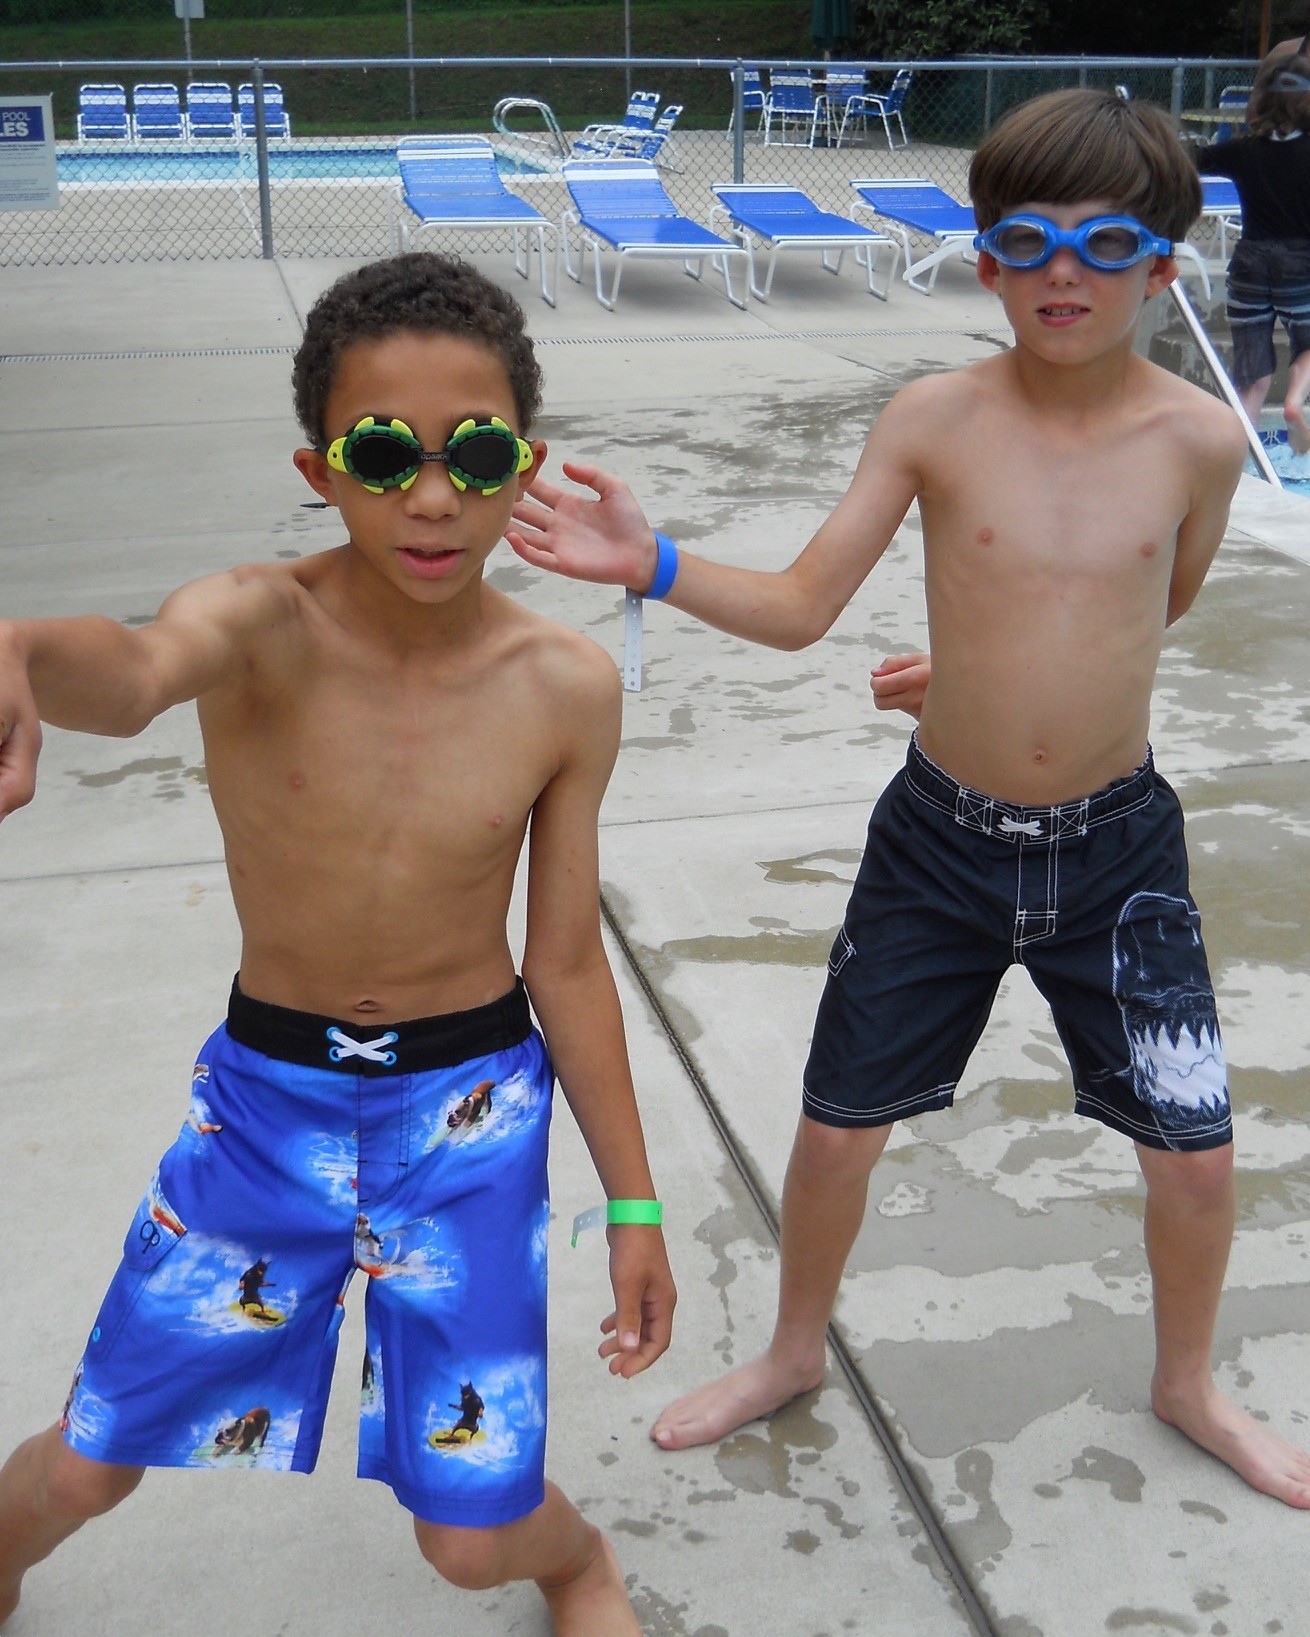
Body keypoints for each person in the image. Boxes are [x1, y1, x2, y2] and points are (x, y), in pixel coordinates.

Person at [507, 88, 1310, 1510]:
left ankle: (1184, 1381)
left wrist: (994, 657)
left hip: (1119, 851)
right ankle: (794, 1350)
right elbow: (808, 604)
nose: (1064, 273)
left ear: (1159, 265)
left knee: (1192, 1158)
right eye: (1026, 242)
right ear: (986, 261)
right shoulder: (936, 416)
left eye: (1105, 242)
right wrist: (657, 564)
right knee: (834, 1129)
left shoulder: (1194, 437)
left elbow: (1146, 606)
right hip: (937, 842)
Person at [0, 252, 676, 1631]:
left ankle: (578, 1560)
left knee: (470, 1542)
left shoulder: (564, 685)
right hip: (265, 1110)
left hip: (468, 1120)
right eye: (383, 456)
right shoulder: (259, 625)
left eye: (472, 455)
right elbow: (126, 677)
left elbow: (562, 961)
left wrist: (634, 1201)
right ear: (321, 470)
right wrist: (12, 644)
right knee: (86, 1466)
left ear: (521, 465)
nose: (431, 497)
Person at [1192, 51, 1310, 451]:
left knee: (1252, 378)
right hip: (1300, 261)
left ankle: (1242, 463)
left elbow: (1189, 160)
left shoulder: (1242, 151)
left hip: (1249, 261)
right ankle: (1295, 401)